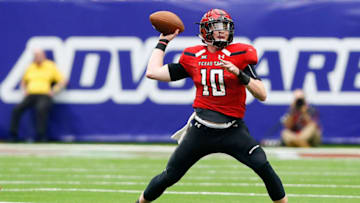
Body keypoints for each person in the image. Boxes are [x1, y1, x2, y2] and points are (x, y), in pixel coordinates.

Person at [136, 9, 287, 203]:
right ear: (206, 31)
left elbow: (262, 94)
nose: (222, 31)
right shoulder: (194, 56)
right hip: (201, 130)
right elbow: (153, 72)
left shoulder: (239, 54)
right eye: (217, 27)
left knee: (263, 166)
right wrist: (163, 41)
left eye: (225, 27)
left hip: (232, 130)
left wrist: (240, 75)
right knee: (170, 175)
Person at [9, 48, 67, 142]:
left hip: (44, 95)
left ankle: (41, 136)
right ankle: (13, 135)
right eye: (35, 56)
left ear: (43, 55)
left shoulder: (50, 66)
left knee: (41, 109)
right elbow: (23, 81)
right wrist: (24, 90)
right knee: (16, 109)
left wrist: (54, 90)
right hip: (31, 95)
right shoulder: (31, 67)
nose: (37, 57)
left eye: (39, 55)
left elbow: (63, 81)